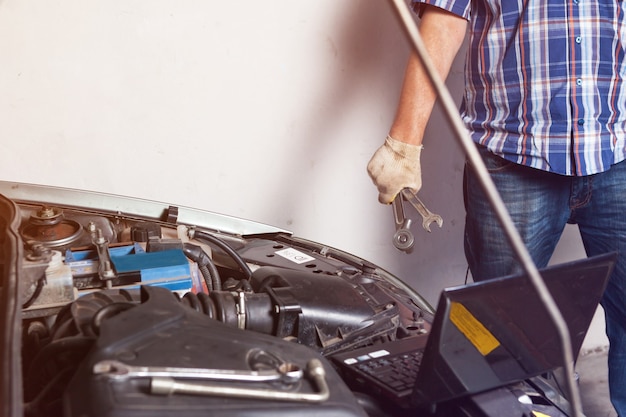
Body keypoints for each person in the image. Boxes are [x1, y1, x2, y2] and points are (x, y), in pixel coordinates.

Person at [367, 1, 626, 415]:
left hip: (615, 147)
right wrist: (404, 141)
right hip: (514, 154)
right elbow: (444, 18)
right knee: (502, 336)